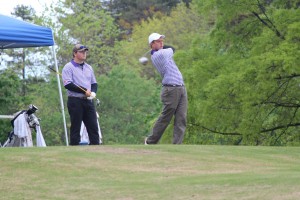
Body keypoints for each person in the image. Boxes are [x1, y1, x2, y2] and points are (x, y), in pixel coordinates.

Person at [145, 33, 188, 145]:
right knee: (166, 118)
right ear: (152, 44)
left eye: (162, 40)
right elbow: (172, 48)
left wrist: (160, 45)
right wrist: (161, 47)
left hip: (180, 87)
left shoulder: (162, 52)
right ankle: (150, 141)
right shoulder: (160, 55)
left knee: (181, 118)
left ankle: (177, 144)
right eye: (158, 41)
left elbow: (169, 48)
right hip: (171, 90)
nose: (161, 42)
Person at [62, 44, 99, 145]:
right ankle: (74, 150)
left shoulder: (89, 67)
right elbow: (68, 84)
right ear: (75, 53)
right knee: (76, 127)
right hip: (75, 101)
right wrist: (84, 91)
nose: (84, 54)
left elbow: (94, 83)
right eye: (81, 52)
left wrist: (93, 92)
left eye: (85, 52)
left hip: (88, 101)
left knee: (93, 127)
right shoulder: (68, 67)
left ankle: (96, 149)